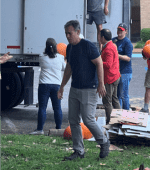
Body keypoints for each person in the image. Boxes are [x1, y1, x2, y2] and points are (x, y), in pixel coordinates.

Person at [57, 20, 110, 160]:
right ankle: (78, 151)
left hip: (89, 89)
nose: (68, 36)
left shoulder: (88, 45)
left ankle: (104, 142)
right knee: (73, 120)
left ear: (78, 32)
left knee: (88, 119)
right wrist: (62, 86)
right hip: (75, 88)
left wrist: (101, 84)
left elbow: (99, 63)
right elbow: (69, 69)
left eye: (70, 33)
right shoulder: (69, 48)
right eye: (66, 33)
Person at [30, 38, 66, 135]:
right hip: (56, 86)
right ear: (56, 47)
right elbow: (64, 68)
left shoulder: (41, 57)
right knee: (57, 108)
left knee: (42, 108)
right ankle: (58, 129)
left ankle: (40, 129)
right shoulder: (60, 57)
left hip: (44, 85)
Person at [100, 29, 121, 124]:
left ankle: (110, 121)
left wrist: (98, 62)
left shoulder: (108, 48)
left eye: (100, 36)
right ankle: (119, 118)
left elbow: (108, 64)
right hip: (115, 75)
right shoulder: (112, 45)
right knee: (114, 98)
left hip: (110, 78)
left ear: (103, 37)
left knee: (107, 101)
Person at [112, 23, 133, 110]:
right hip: (115, 71)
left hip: (125, 71)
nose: (119, 32)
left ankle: (126, 113)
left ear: (126, 32)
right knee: (117, 95)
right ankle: (118, 114)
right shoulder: (113, 40)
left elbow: (128, 58)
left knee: (124, 95)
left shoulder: (127, 43)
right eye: (118, 30)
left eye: (121, 30)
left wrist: (116, 54)